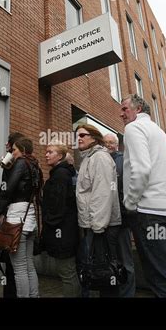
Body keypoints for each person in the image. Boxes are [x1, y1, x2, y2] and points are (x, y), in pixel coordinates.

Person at [121, 94, 166, 298]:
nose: (121, 113)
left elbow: (141, 169)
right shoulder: (161, 133)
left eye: (125, 108)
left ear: (138, 109)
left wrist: (130, 203)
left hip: (149, 213)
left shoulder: (134, 128)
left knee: (160, 276)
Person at [75, 124, 122, 297]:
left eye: (82, 135)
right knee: (100, 272)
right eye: (77, 135)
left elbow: (102, 193)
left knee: (106, 272)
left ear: (94, 138)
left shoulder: (100, 157)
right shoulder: (88, 158)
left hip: (102, 225)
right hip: (95, 224)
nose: (78, 138)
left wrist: (98, 226)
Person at [0, 138, 42, 297]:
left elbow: (8, 189)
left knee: (19, 269)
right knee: (29, 266)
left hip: (16, 219)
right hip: (30, 220)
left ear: (22, 150)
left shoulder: (21, 163)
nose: (11, 153)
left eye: (13, 150)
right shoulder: (35, 165)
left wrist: (0, 211)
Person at [42, 142, 80, 297]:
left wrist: (49, 222)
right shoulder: (61, 173)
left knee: (67, 272)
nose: (46, 154)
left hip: (63, 231)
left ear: (61, 156)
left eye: (50, 152)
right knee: (68, 272)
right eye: (46, 152)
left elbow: (59, 205)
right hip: (64, 229)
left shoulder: (60, 175)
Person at [103, 133, 136, 297]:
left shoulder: (122, 161)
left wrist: (125, 211)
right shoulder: (101, 160)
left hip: (121, 219)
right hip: (104, 220)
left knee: (126, 260)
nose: (108, 145)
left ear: (117, 145)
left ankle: (128, 294)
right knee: (110, 260)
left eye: (111, 142)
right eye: (106, 142)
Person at [0, 132, 24, 298]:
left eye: (9, 144)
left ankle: (10, 294)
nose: (6, 146)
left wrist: (1, 211)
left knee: (11, 258)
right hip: (9, 209)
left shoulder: (16, 160)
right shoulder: (16, 161)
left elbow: (8, 189)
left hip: (10, 212)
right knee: (11, 259)